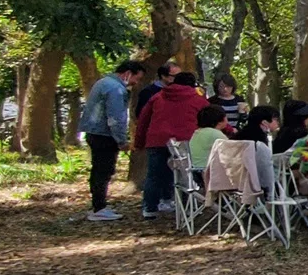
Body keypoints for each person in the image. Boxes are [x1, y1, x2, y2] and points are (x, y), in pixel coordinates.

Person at [133, 71, 210, 220]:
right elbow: (212, 116)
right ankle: (188, 208)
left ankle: (149, 208)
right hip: (185, 141)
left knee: (154, 175)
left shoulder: (158, 97)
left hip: (157, 140)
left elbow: (143, 120)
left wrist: (139, 142)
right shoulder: (197, 99)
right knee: (186, 174)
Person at [79, 60, 147, 221]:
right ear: (127, 73)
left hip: (94, 132)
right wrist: (122, 140)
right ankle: (99, 207)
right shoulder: (116, 89)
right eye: (136, 78)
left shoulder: (102, 83)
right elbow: (116, 118)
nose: (135, 83)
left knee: (98, 170)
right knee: (103, 171)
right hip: (104, 136)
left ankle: (99, 205)